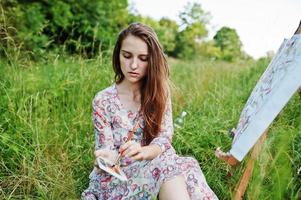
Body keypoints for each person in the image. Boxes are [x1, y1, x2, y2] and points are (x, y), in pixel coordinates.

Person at [81, 22, 218, 200]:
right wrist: (105, 160)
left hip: (155, 158)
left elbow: (164, 137)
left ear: (152, 60)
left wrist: (145, 151)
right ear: (118, 55)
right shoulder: (103, 100)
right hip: (121, 174)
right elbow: (106, 149)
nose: (133, 65)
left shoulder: (159, 92)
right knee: (169, 167)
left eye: (143, 58)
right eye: (127, 56)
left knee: (176, 166)